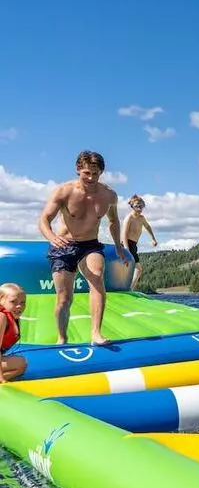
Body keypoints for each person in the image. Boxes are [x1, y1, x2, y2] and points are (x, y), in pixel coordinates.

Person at [39, 150, 128, 346]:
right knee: (64, 298)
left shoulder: (109, 195)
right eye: (86, 173)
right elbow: (44, 219)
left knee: (97, 274)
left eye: (95, 174)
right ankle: (62, 337)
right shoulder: (64, 191)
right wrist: (52, 237)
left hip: (90, 244)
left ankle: (96, 333)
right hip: (64, 245)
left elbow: (114, 222)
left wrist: (119, 247)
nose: (90, 178)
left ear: (101, 172)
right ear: (78, 170)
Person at [121, 194, 158, 290]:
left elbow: (147, 226)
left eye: (142, 205)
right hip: (126, 244)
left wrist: (153, 239)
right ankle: (129, 289)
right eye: (137, 205)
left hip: (133, 245)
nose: (140, 207)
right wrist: (126, 249)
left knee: (134, 269)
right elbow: (123, 234)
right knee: (138, 269)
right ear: (132, 206)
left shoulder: (141, 218)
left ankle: (128, 288)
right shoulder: (129, 217)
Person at [0, 283, 28, 382]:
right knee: (20, 363)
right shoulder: (1, 317)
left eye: (23, 302)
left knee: (20, 365)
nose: (19, 306)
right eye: (13, 302)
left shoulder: (13, 316)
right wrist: (1, 378)